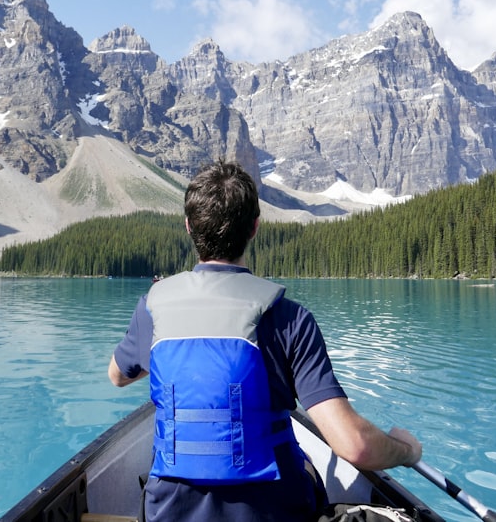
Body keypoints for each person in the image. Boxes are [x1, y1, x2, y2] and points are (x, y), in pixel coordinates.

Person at [108, 159, 422, 521]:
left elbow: (118, 375)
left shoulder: (153, 308)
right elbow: (353, 445)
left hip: (170, 511)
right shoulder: (290, 318)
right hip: (274, 511)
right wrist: (406, 450)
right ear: (255, 227)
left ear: (189, 227)